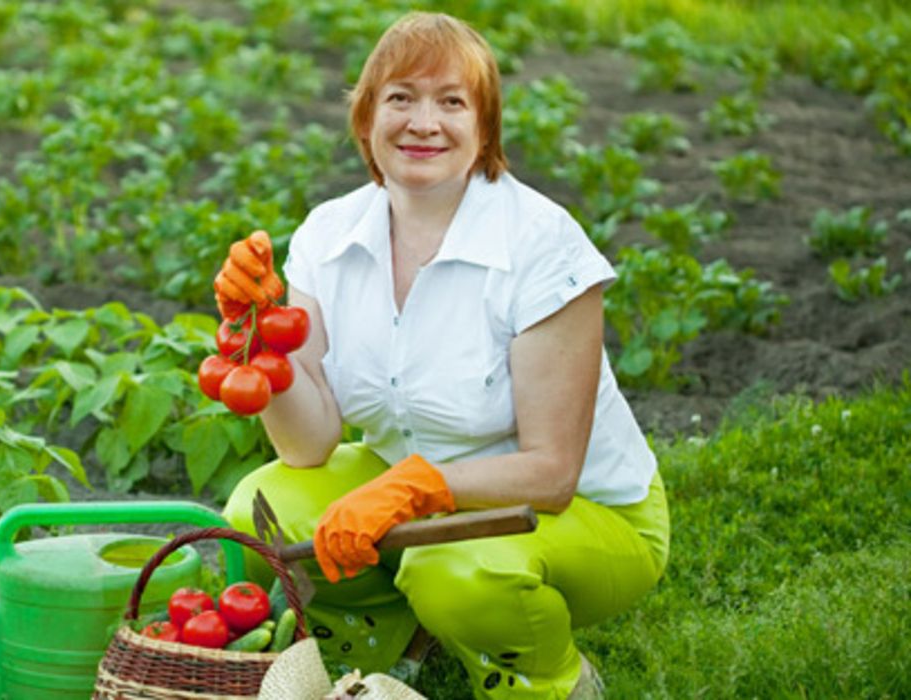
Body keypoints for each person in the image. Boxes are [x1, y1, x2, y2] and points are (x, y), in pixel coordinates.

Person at [212, 11, 670, 699]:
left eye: (450, 102)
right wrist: (260, 340)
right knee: (257, 510)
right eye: (400, 98)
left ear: (483, 129)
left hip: (583, 513)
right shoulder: (328, 236)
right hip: (417, 489)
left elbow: (551, 474)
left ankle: (549, 681)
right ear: (366, 120)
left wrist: (410, 489)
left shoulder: (540, 246)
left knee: (450, 569)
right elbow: (307, 446)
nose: (423, 123)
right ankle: (380, 643)